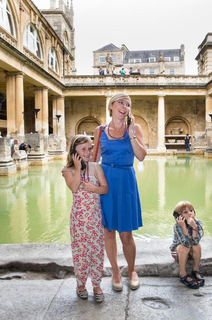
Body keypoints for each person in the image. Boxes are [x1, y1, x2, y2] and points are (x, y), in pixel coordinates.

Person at [93, 93, 147, 292]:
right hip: (105, 181)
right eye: (121, 103)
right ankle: (115, 271)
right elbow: (93, 159)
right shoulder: (100, 130)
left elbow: (140, 156)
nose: (125, 107)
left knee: (126, 234)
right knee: (108, 232)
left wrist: (131, 131)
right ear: (111, 105)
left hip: (125, 182)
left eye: (128, 104)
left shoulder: (135, 129)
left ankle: (131, 270)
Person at [62, 135, 108, 303]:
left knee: (96, 252)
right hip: (79, 220)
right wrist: (76, 166)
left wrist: (93, 188)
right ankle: (81, 284)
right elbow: (74, 188)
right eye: (84, 149)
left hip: (95, 218)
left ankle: (97, 285)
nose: (88, 152)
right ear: (74, 152)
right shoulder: (68, 171)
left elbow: (105, 189)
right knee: (80, 252)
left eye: (90, 148)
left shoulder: (96, 167)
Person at [170, 201, 205, 289]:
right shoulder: (177, 226)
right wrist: (184, 228)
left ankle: (195, 269)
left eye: (191, 210)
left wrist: (194, 227)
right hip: (179, 251)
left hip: (191, 250)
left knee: (197, 246)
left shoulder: (197, 223)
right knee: (184, 248)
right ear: (179, 216)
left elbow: (196, 241)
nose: (189, 213)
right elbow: (186, 243)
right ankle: (183, 274)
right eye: (185, 212)